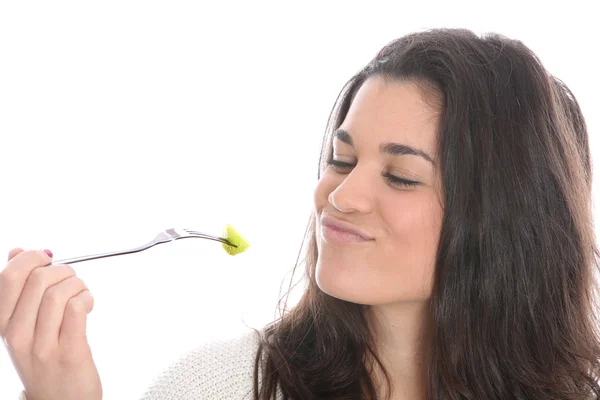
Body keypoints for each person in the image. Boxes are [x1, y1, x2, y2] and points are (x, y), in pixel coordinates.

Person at [2, 27, 599, 400]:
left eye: (400, 176)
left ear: (506, 222)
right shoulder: (220, 388)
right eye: (342, 160)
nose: (339, 196)